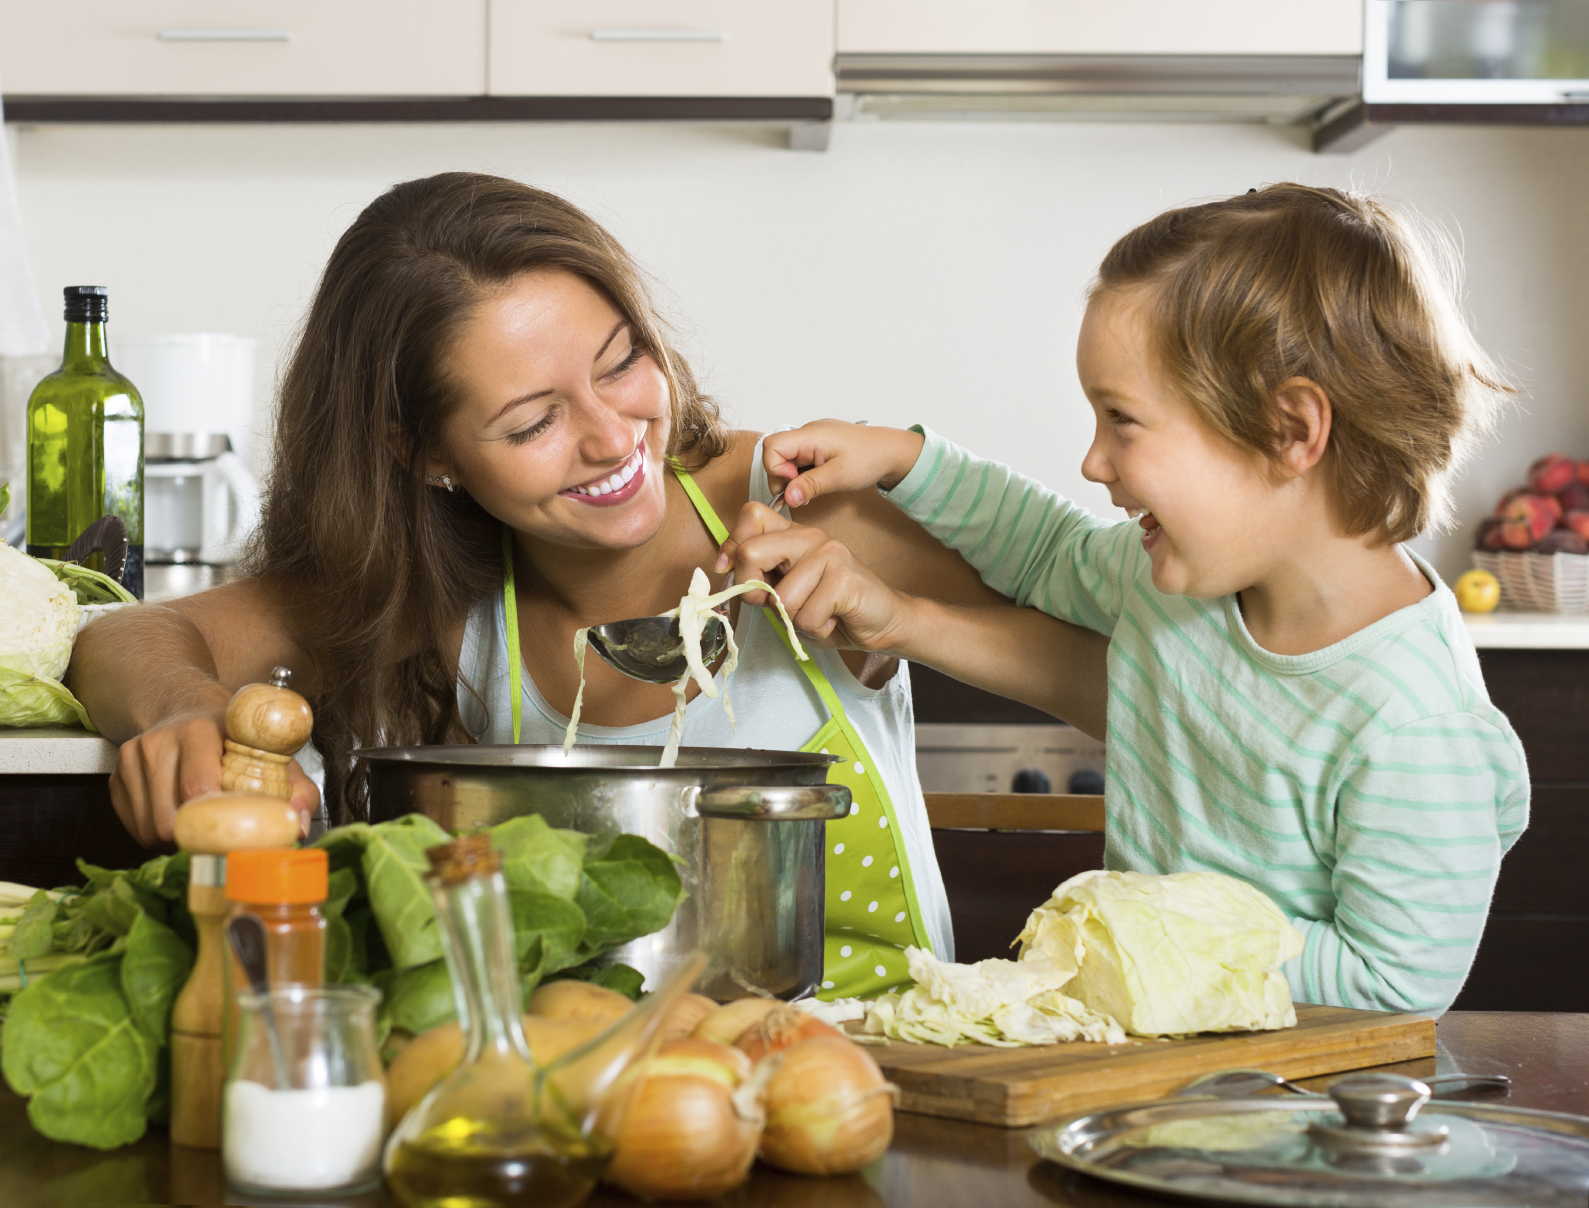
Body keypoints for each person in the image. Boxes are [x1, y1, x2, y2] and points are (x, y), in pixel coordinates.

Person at [67, 171, 1109, 1001]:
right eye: (531, 422)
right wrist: (184, 707)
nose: (613, 438)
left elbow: (1138, 690)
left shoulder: (800, 502)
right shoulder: (445, 599)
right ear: (425, 456)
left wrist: (905, 619)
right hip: (600, 1101)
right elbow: (130, 636)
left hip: (883, 1088)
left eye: (620, 364)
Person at [721, 184, 1530, 1015]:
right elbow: (1044, 550)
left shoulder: (1414, 726)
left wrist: (1145, 931)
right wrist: (899, 459)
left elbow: (1394, 984)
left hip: (1304, 1114)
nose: (1093, 462)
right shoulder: (1176, 589)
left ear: (1291, 431)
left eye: (1122, 421)